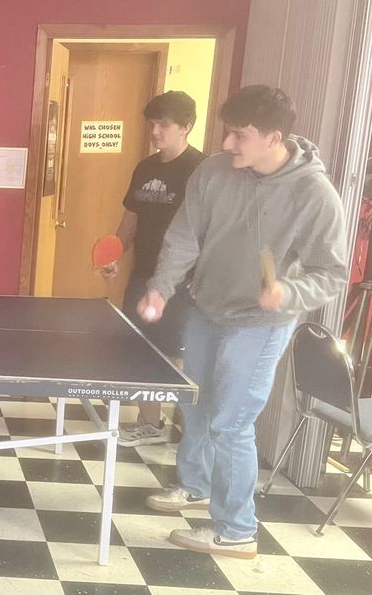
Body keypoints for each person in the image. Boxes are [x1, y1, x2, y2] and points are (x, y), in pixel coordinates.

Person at [139, 85, 348, 558]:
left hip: (260, 323)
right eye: (227, 132)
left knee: (231, 424)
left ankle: (236, 531)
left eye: (240, 135)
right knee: (196, 405)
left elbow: (332, 273)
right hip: (206, 307)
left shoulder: (314, 194)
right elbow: (184, 236)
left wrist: (290, 292)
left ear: (273, 138)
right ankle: (194, 486)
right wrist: (160, 286)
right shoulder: (213, 171)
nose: (227, 143)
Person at [99, 91, 205, 447]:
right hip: (143, 273)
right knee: (140, 348)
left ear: (186, 126)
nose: (155, 132)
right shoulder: (145, 168)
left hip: (183, 282)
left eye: (164, 125)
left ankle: (191, 433)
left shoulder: (201, 171)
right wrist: (115, 252)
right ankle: (151, 424)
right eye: (152, 125)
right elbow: (131, 216)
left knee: (176, 355)